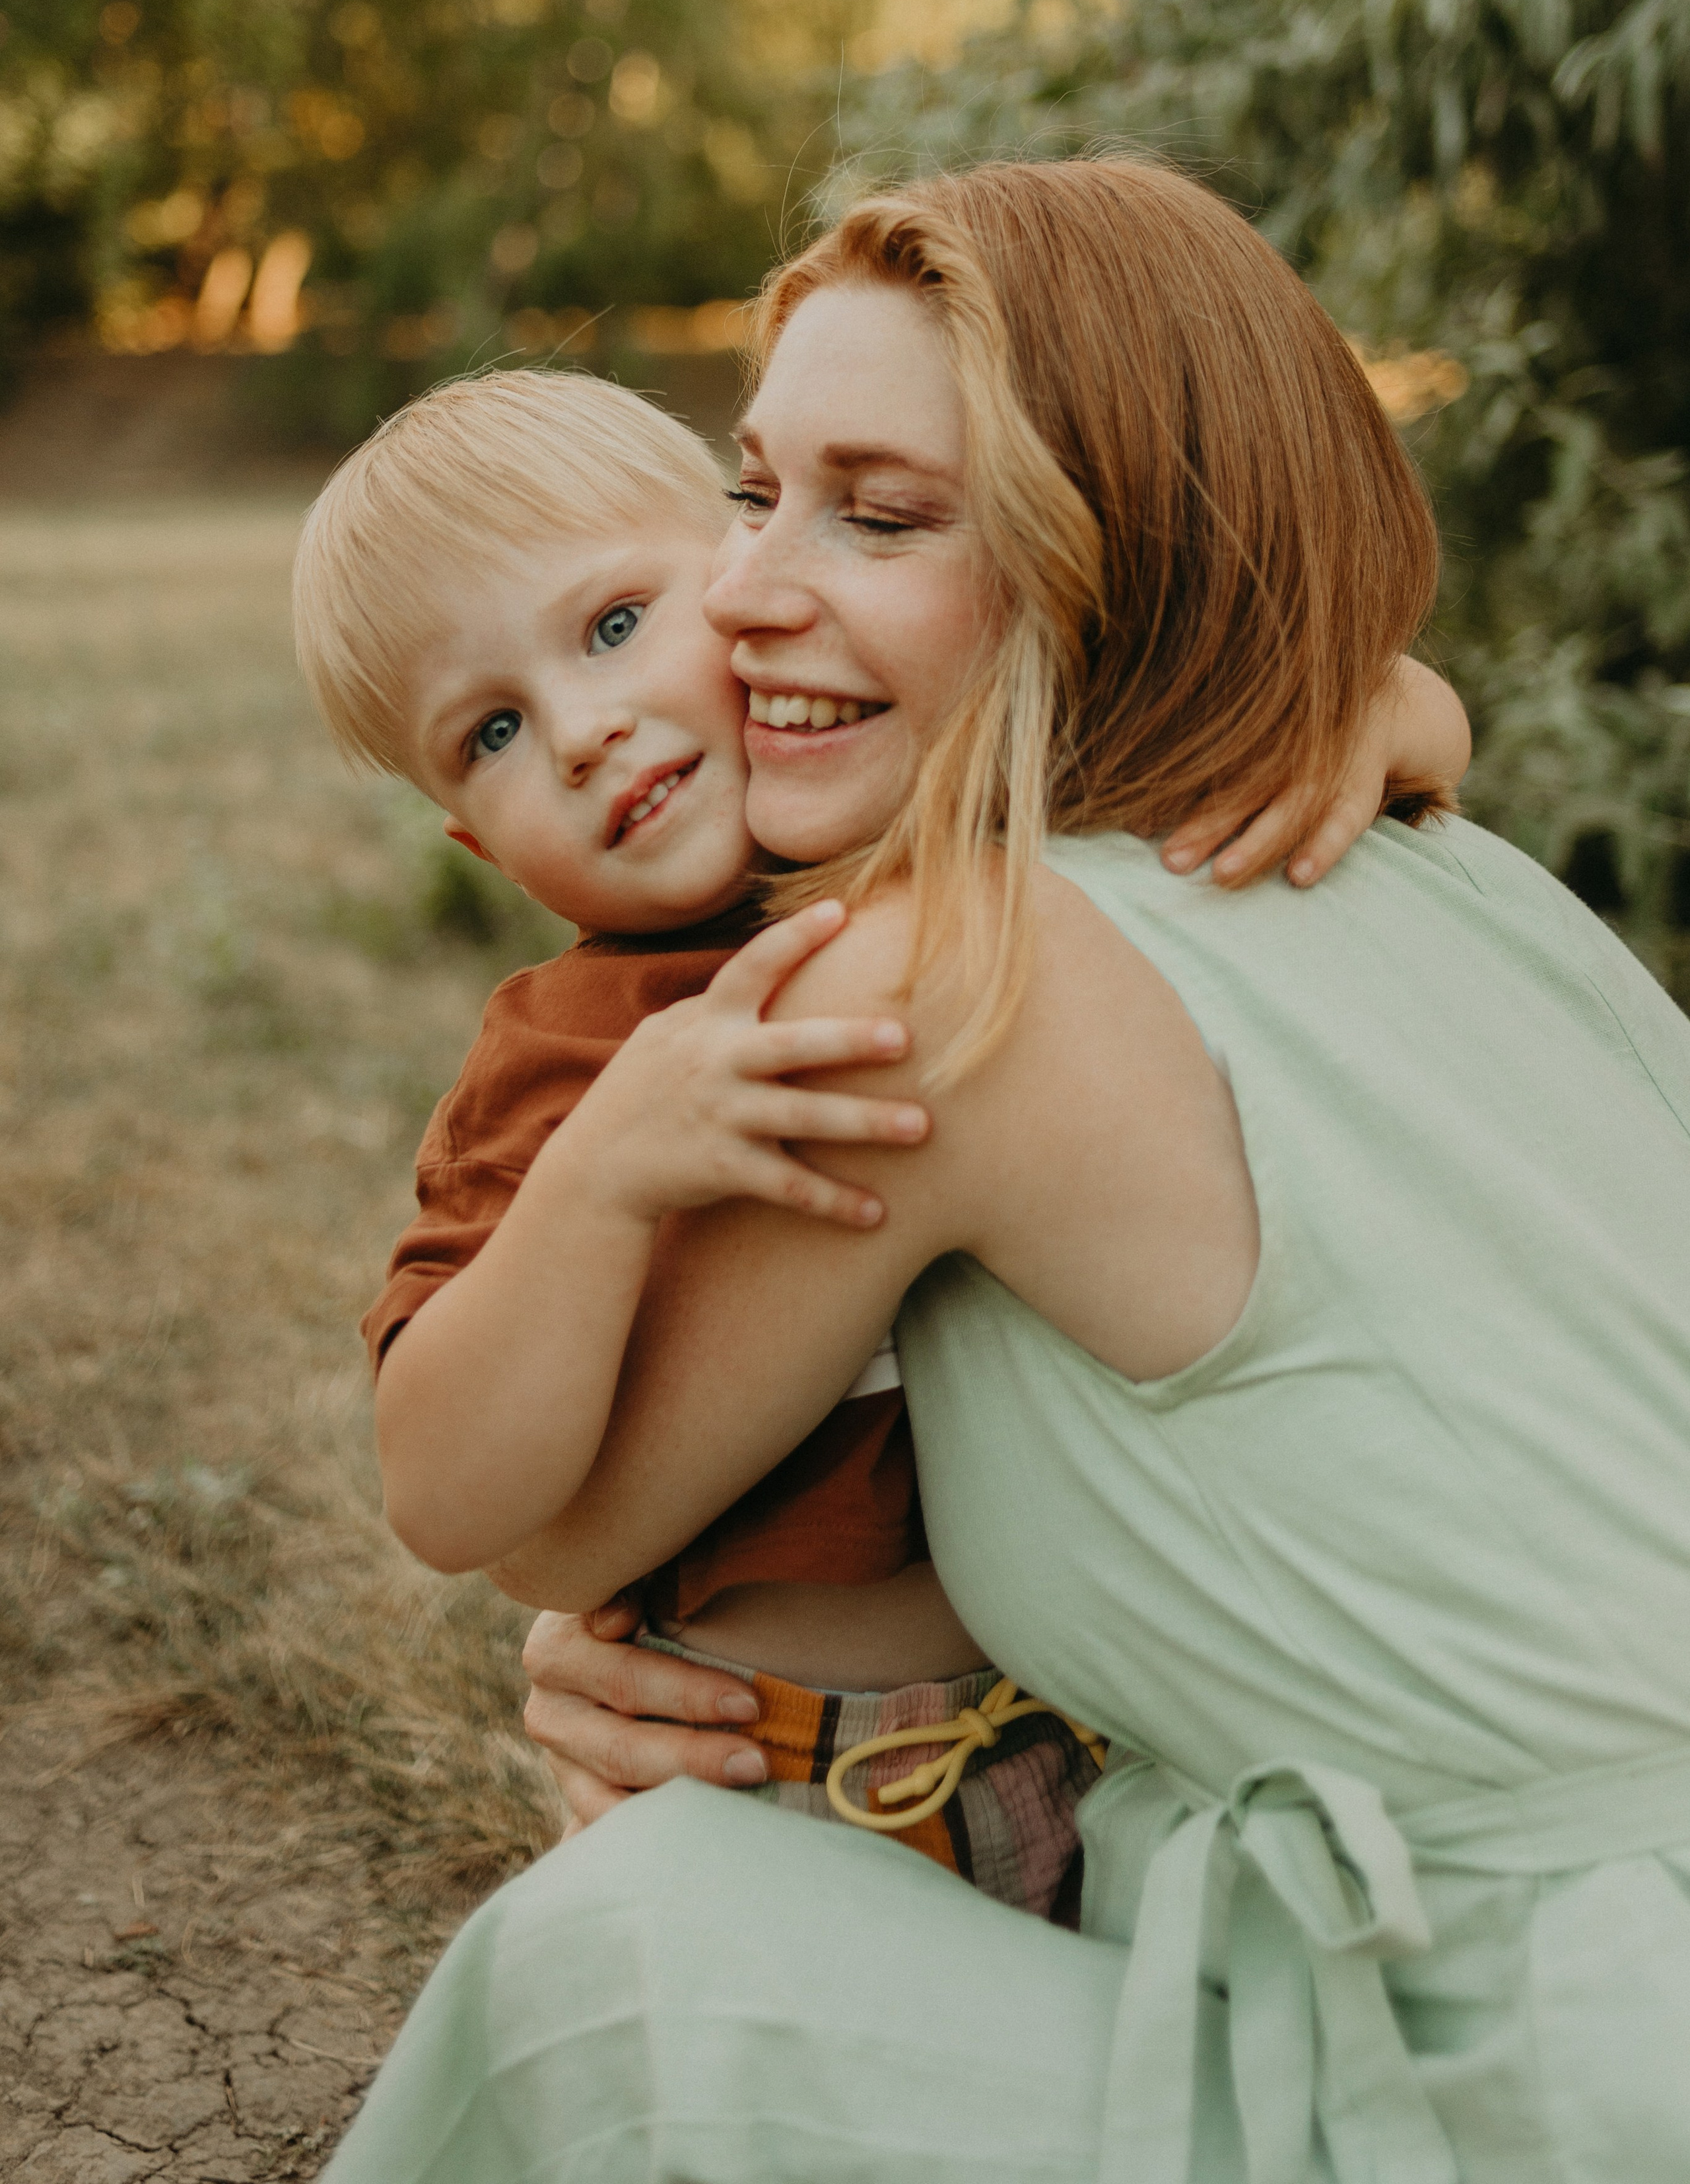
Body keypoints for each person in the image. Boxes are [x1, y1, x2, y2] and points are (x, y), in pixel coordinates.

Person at [331, 153, 1690, 2184]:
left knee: (605, 1968)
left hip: (1556, 2054)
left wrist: (602, 1631)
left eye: (875, 515)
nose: (749, 591)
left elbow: (539, 1534)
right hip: (1582, 1942)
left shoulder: (936, 981)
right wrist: (1390, 697)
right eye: (754, 488)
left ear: (1121, 536)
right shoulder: (1447, 860)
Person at [294, 368, 1462, 1911]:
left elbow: (1400, 708)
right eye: (491, 732)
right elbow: (444, 1496)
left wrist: (1368, 714)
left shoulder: (956, 825)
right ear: (470, 839)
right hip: (779, 1772)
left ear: (747, 571)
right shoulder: (570, 1059)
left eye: (615, 625)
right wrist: (600, 1180)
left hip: (1114, 1736)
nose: (578, 732)